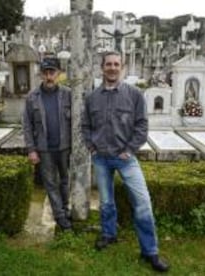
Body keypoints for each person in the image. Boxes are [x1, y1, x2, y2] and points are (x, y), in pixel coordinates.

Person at [81, 51, 169, 272]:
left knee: (143, 204)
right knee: (106, 202)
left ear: (122, 67)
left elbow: (141, 126)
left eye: (116, 64)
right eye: (108, 64)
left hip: (126, 159)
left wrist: (129, 150)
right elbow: (85, 126)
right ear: (102, 68)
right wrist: (91, 146)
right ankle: (108, 234)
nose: (112, 67)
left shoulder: (135, 95)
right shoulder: (92, 98)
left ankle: (150, 251)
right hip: (101, 158)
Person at [22, 57, 72, 231]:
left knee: (65, 181)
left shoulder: (68, 94)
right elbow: (27, 125)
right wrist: (31, 150)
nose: (49, 76)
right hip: (44, 150)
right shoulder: (32, 97)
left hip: (64, 147)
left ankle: (65, 209)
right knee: (50, 184)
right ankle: (60, 217)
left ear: (58, 74)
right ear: (41, 75)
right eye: (45, 73)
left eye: (52, 72)